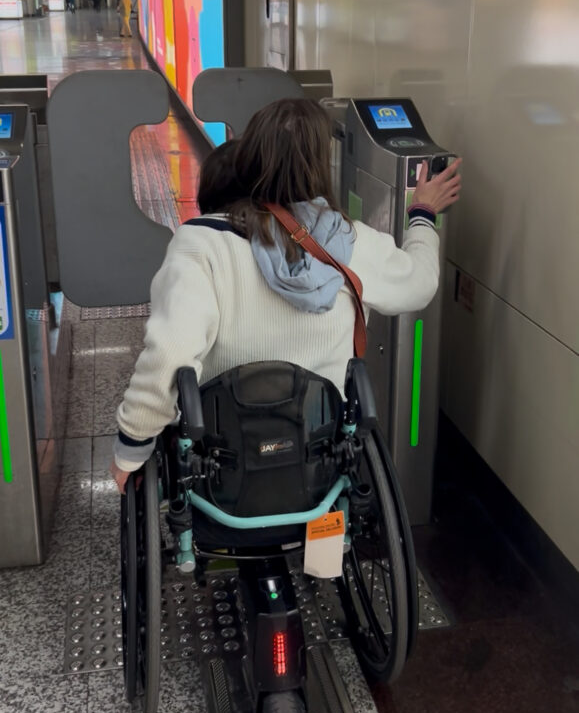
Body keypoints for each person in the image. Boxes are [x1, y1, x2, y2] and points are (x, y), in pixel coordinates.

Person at [110, 98, 461, 492]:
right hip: (319, 456)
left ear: (248, 158)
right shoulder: (353, 241)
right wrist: (422, 215)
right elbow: (419, 284)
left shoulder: (202, 244)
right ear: (320, 167)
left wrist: (132, 450)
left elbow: (170, 354)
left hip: (221, 463)